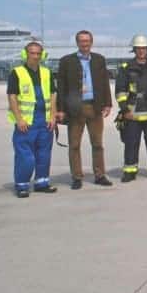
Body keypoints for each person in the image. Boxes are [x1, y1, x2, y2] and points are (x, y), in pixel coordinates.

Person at [56, 30, 113, 190]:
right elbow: (61, 87)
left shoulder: (99, 60)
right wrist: (60, 109)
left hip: (94, 107)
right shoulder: (67, 61)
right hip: (75, 108)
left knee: (97, 144)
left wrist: (108, 104)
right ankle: (77, 177)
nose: (84, 43)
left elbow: (105, 82)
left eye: (87, 41)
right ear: (77, 43)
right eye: (81, 41)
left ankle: (100, 175)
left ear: (91, 42)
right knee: (74, 145)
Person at [114, 35, 147, 182]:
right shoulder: (126, 68)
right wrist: (125, 111)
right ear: (134, 50)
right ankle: (130, 172)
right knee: (131, 144)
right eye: (138, 48)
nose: (141, 51)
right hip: (132, 114)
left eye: (143, 48)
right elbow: (120, 92)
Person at [7, 42, 58, 198]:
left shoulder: (47, 72)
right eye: (32, 53)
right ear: (25, 54)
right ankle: (22, 185)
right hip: (27, 122)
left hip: (45, 121)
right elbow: (12, 96)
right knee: (25, 157)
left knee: (44, 154)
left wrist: (52, 116)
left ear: (42, 55)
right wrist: (19, 119)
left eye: (38, 53)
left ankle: (42, 183)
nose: (35, 56)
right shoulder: (17, 72)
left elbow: (53, 94)